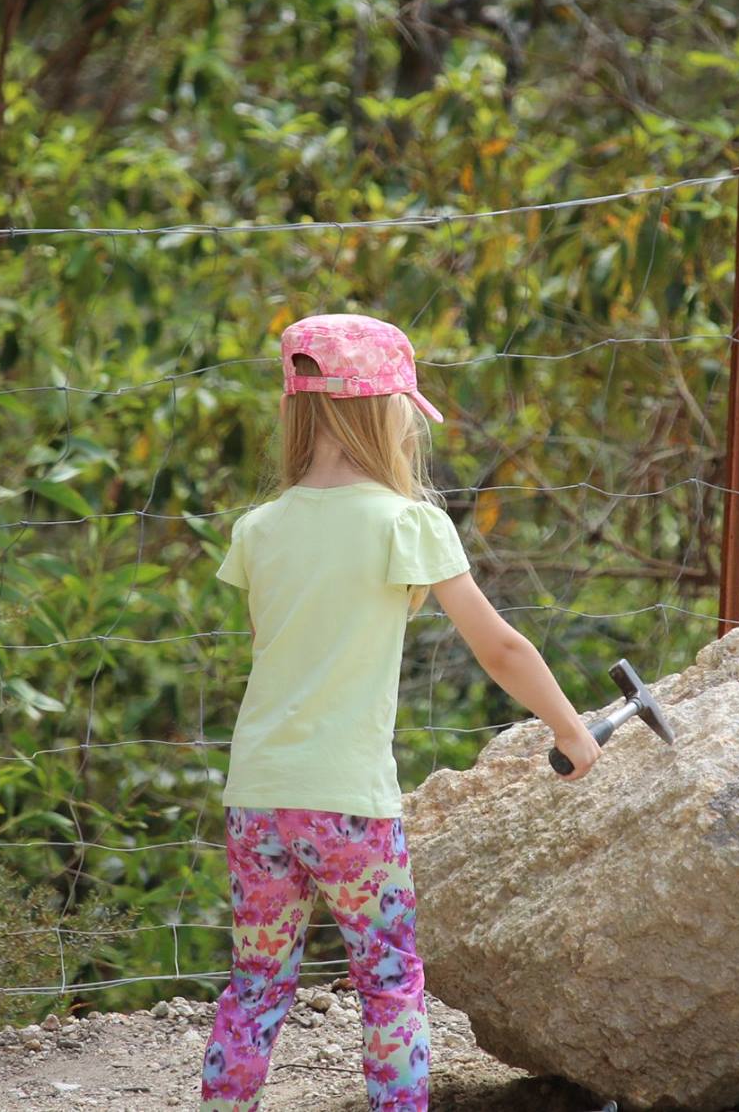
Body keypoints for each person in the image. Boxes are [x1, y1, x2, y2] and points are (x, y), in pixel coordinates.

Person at [198, 312, 601, 1112]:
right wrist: (570, 726)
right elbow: (502, 649)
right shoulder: (408, 523)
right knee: (388, 981)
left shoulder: (259, 530)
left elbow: (280, 647)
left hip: (258, 795)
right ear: (384, 412)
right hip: (350, 803)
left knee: (256, 984)